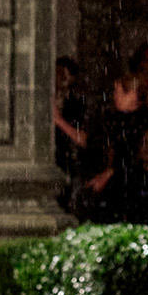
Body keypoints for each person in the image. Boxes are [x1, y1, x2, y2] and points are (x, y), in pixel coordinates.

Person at [79, 72, 148, 222]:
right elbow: (91, 141)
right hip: (116, 192)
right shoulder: (112, 120)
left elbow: (146, 158)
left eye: (118, 92)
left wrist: (112, 172)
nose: (115, 96)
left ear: (133, 94)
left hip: (143, 188)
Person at [52, 56, 89, 210]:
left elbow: (84, 139)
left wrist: (59, 121)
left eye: (65, 75)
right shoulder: (40, 100)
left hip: (69, 164)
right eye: (58, 74)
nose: (61, 80)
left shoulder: (77, 104)